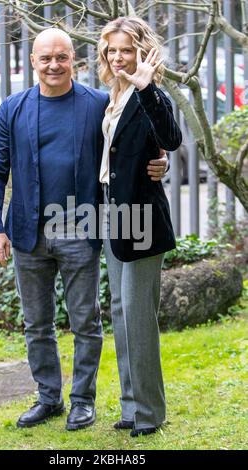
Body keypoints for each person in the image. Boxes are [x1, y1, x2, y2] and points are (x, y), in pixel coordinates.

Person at [0, 28, 168, 431]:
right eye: (45, 58)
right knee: (36, 322)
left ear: (74, 60)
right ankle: (48, 398)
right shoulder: (12, 109)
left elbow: (135, 141)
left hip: (80, 229)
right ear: (32, 61)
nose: (53, 65)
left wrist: (161, 161)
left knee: (86, 322)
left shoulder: (97, 104)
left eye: (61, 57)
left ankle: (83, 401)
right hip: (27, 231)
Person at [97, 17, 182, 437]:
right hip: (113, 213)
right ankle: (131, 405)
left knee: (137, 315)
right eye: (111, 50)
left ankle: (150, 414)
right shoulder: (112, 95)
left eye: (126, 50)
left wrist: (148, 88)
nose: (118, 58)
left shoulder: (151, 94)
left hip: (144, 219)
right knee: (120, 312)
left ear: (142, 52)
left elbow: (171, 137)